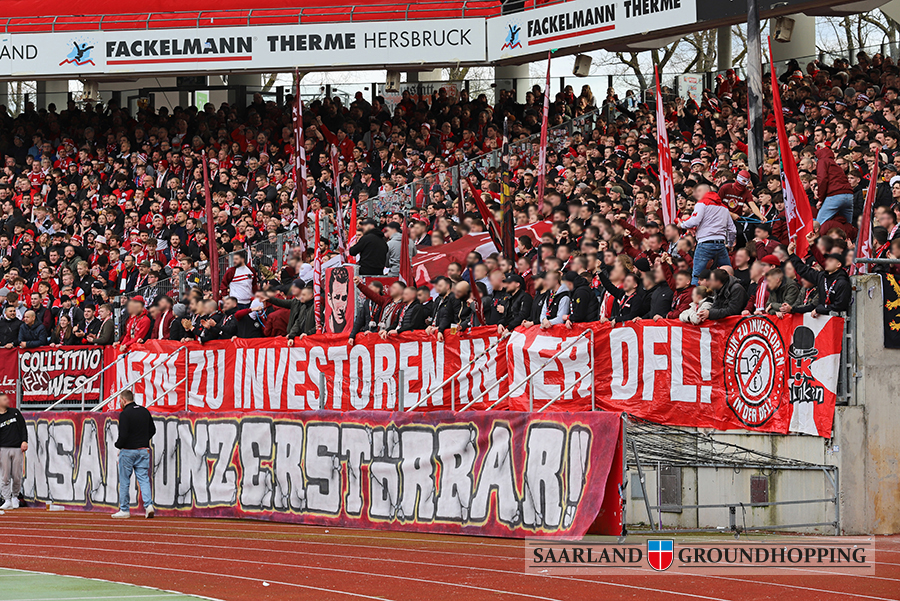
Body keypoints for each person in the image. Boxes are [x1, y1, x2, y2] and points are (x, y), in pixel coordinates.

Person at [680, 184, 736, 285]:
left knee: (697, 275)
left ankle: (695, 300)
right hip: (720, 245)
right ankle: (732, 294)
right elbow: (732, 230)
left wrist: (682, 224)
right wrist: (730, 244)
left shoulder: (701, 203)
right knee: (728, 274)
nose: (696, 193)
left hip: (705, 244)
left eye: (699, 191)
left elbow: (695, 220)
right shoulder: (724, 208)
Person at [112, 390, 155, 519]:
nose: (119, 402)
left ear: (124, 400)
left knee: (125, 481)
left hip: (128, 451)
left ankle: (124, 509)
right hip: (143, 450)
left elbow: (123, 435)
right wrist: (143, 440)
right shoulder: (144, 411)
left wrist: (118, 445)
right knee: (143, 479)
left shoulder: (125, 414)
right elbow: (152, 430)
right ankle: (149, 506)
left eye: (120, 400)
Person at [0, 393, 27, 510]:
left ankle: (15, 496)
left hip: (17, 448)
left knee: (16, 475)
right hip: (3, 448)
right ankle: (6, 499)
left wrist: (24, 441)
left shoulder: (15, 412)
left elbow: (23, 427)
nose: (7, 401)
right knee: (5, 475)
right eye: (4, 399)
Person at [326, 266, 351, 334]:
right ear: (329, 299)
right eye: (337, 298)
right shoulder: (326, 326)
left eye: (344, 298)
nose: (341, 307)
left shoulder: (351, 325)